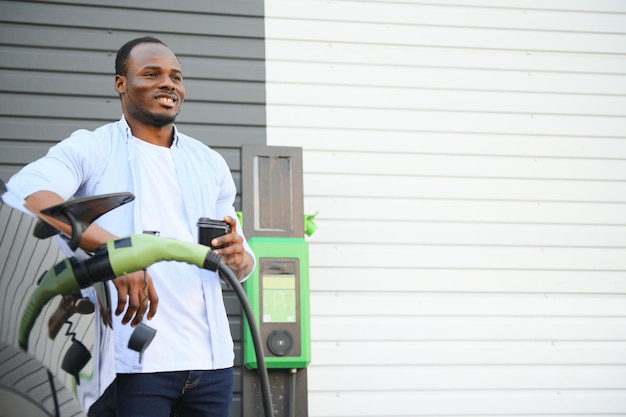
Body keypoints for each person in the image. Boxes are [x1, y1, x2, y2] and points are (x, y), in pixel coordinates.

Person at [5, 36, 255, 417]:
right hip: (134, 365)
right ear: (121, 83)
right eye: (151, 74)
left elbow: (243, 257)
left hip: (211, 362)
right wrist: (114, 252)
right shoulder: (91, 148)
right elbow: (26, 195)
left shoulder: (210, 163)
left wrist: (239, 257)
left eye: (176, 76)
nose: (168, 83)